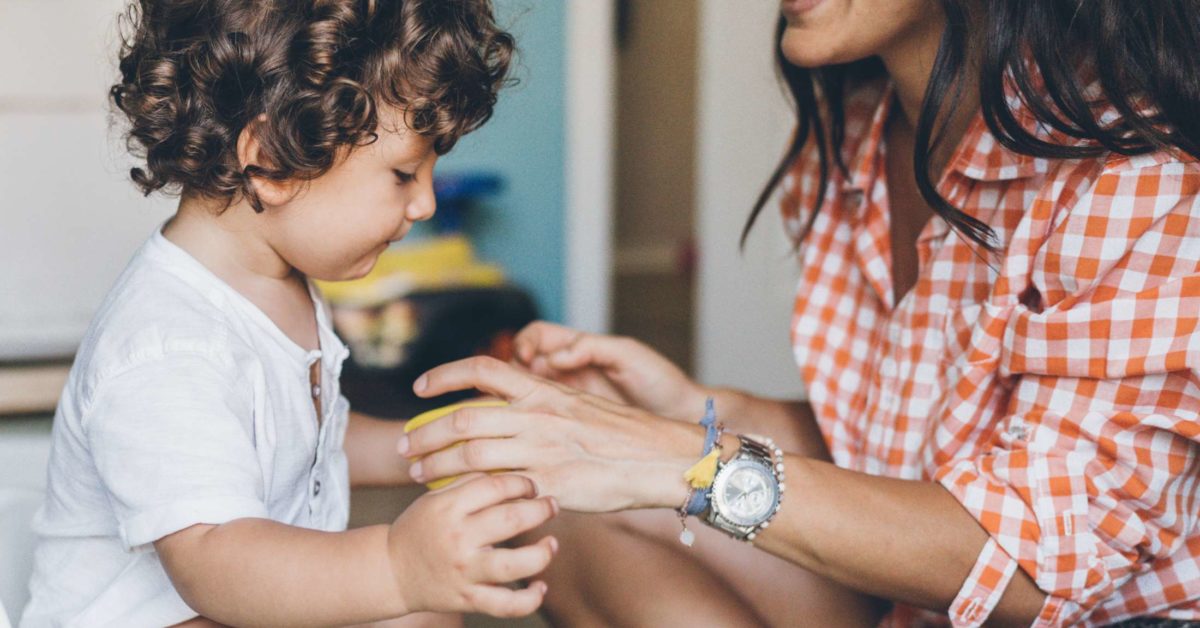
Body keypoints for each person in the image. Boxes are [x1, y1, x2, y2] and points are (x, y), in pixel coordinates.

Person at [400, 0, 1200, 626]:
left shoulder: (1138, 174)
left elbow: (1032, 562)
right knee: (546, 518)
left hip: (1104, 614)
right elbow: (908, 451)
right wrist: (697, 412)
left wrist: (686, 458)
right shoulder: (856, 131)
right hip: (923, 604)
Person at [20, 1, 560, 626]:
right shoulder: (169, 347)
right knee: (407, 605)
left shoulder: (278, 281)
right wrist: (394, 565)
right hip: (170, 609)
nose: (425, 205)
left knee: (420, 616)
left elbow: (305, 442)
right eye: (404, 173)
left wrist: (452, 442)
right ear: (274, 160)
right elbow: (216, 563)